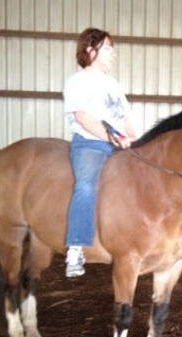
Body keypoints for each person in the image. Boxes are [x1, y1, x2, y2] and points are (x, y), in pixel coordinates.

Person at [63, 27, 139, 277]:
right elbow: (83, 118)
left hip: (120, 143)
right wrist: (112, 139)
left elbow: (125, 117)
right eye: (108, 48)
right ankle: (76, 247)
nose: (113, 54)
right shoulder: (77, 82)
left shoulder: (113, 84)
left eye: (112, 49)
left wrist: (136, 141)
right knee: (85, 186)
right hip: (90, 144)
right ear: (90, 50)